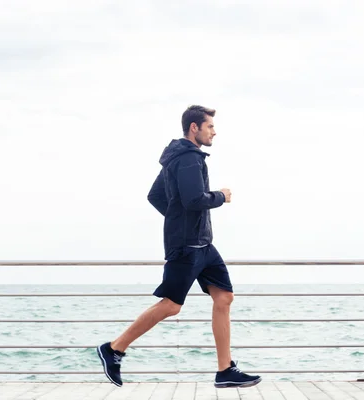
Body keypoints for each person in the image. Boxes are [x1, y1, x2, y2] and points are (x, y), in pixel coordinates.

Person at [96, 105, 262, 389]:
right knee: (171, 305)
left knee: (224, 298)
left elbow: (156, 196)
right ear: (194, 128)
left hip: (204, 244)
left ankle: (225, 370)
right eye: (209, 126)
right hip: (187, 246)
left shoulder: (178, 158)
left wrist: (178, 220)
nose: (214, 131)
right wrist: (220, 196)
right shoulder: (187, 158)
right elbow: (194, 200)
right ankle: (114, 348)